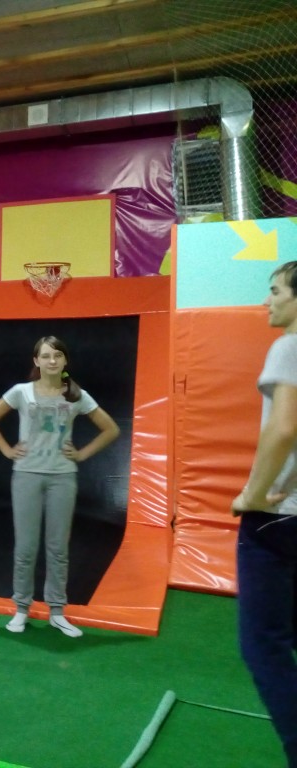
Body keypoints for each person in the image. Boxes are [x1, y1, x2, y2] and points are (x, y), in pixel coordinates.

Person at [0, 335, 120, 638]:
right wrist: (7, 450)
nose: (52, 361)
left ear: (65, 360)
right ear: (37, 361)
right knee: (26, 548)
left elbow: (111, 429)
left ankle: (57, 612)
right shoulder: (22, 392)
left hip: (62, 477)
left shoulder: (76, 396)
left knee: (58, 549)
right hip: (27, 475)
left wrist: (82, 454)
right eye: (45, 356)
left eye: (57, 355)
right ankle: (21, 608)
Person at [230, 260, 297, 768]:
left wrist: (253, 495)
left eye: (274, 290)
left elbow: (283, 429)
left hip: (276, 520)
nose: (266, 301)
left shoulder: (288, 346)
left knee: (263, 645)